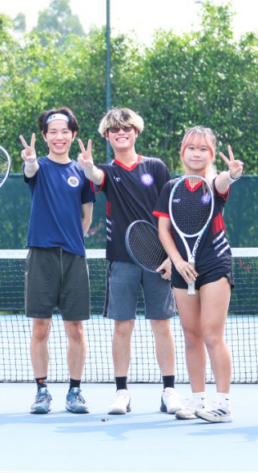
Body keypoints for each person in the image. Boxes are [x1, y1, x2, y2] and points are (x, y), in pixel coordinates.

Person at [77, 107, 183, 416]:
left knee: (162, 326)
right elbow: (95, 177)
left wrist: (170, 257)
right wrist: (87, 167)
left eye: (126, 128)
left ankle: (169, 391)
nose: (121, 133)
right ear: (107, 136)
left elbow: (171, 215)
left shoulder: (157, 167)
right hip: (121, 262)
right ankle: (122, 392)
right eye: (114, 130)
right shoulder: (107, 172)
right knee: (122, 326)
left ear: (136, 132)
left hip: (160, 262)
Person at [154, 126, 243, 423]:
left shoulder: (213, 184)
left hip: (215, 264)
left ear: (211, 154)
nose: (196, 152)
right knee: (191, 337)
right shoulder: (171, 187)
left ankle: (223, 404)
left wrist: (232, 173)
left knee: (211, 335)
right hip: (183, 268)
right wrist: (177, 261)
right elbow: (163, 230)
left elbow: (223, 181)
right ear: (182, 152)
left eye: (203, 148)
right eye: (191, 147)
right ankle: (197, 400)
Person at [20, 107, 95, 414]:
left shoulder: (83, 172)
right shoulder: (37, 167)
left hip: (74, 258)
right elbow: (29, 172)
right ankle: (41, 392)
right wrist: (28, 161)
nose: (59, 136)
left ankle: (75, 391)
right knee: (41, 328)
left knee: (75, 329)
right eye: (53, 131)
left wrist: (72, 239)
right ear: (45, 136)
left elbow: (86, 215)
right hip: (41, 255)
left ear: (73, 135)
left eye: (65, 131)